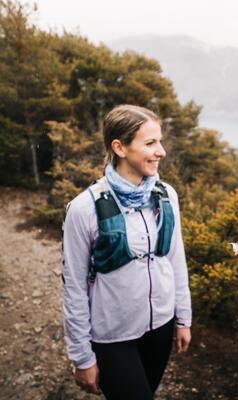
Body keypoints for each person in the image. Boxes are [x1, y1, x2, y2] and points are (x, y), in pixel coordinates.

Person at [61, 104, 192, 399]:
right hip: (111, 337)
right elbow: (73, 287)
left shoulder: (166, 195)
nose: (161, 151)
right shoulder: (84, 208)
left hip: (160, 326)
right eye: (150, 143)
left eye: (160, 141)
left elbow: (175, 260)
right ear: (119, 147)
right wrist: (82, 357)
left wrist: (183, 317)